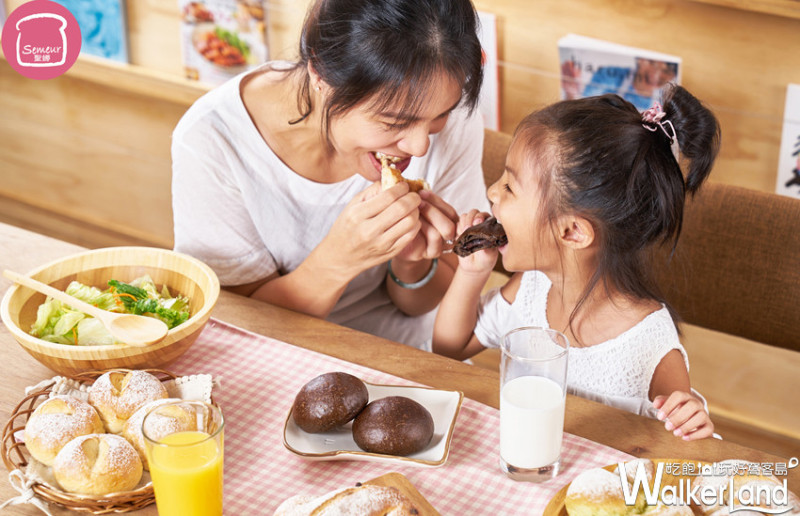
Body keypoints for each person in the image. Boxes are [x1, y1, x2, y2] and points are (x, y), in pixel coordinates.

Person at [172, 0, 489, 350]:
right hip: (280, 359)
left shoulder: (454, 119)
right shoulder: (213, 140)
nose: (419, 147)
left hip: (411, 357)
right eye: (394, 122)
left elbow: (420, 303)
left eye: (439, 116)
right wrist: (341, 258)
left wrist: (409, 263)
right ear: (320, 74)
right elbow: (236, 325)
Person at [433, 84, 721, 441]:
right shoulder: (530, 288)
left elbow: (683, 450)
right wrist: (471, 272)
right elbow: (449, 349)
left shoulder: (650, 346)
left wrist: (694, 424)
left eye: (510, 187)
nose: (492, 191)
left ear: (571, 232)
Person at [562, 57, 678, 111]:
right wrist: (571, 93)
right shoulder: (609, 75)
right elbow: (583, 109)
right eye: (652, 63)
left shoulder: (666, 102)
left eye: (666, 71)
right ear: (640, 60)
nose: (656, 74)